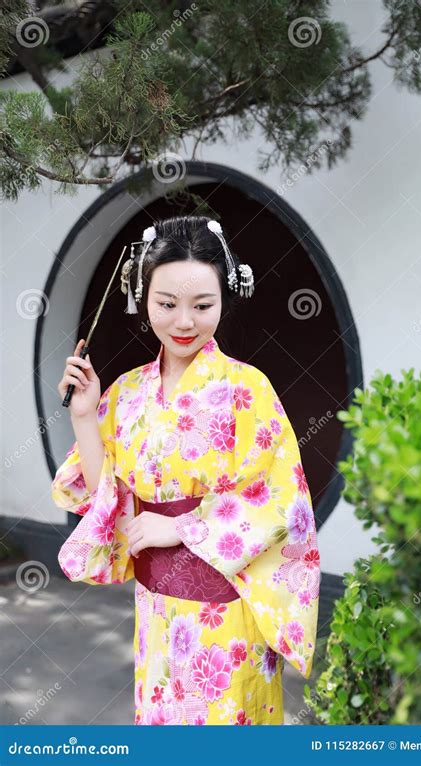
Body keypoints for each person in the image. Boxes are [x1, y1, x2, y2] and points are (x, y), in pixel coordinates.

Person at [52, 215, 320, 726]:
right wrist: (86, 414)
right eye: (166, 304)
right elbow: (106, 496)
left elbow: (281, 500)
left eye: (203, 306)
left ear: (225, 299)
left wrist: (179, 527)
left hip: (228, 619)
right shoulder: (127, 392)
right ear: (142, 297)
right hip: (156, 613)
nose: (184, 322)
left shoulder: (249, 389)